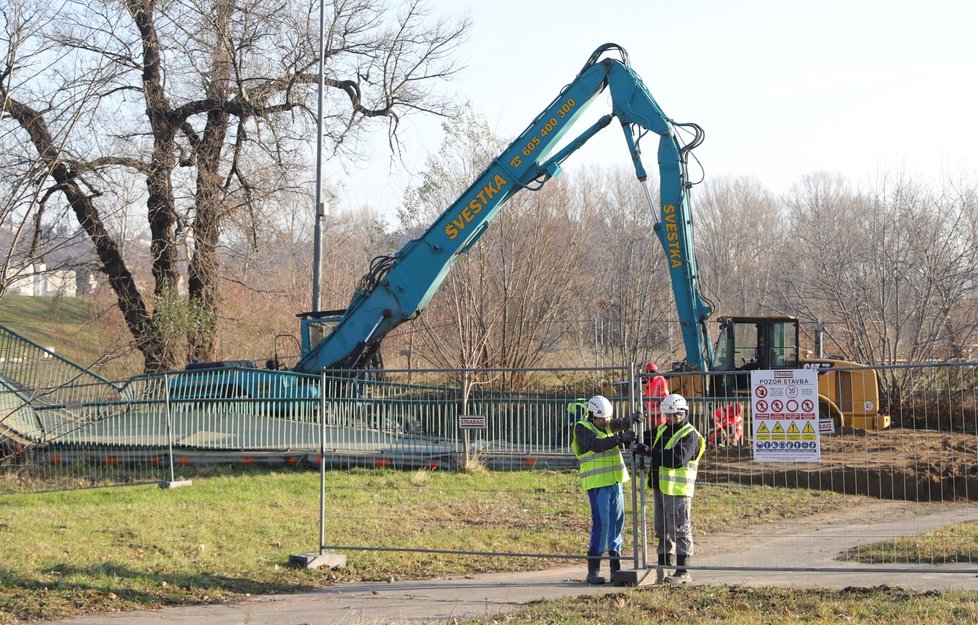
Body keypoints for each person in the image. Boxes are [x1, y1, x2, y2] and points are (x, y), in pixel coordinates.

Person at [633, 393, 705, 584]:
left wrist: (649, 452)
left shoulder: (690, 435)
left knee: (680, 529)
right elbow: (645, 437)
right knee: (661, 528)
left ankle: (682, 571)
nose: (671, 419)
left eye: (675, 416)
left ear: (684, 414)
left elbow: (677, 458)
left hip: (679, 490)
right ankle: (664, 564)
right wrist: (632, 430)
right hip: (660, 486)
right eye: (668, 415)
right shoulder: (664, 429)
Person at [571, 395, 640, 585]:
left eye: (607, 418)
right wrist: (619, 438)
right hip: (597, 484)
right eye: (601, 419)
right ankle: (593, 570)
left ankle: (615, 569)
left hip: (615, 482)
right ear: (592, 415)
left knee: (617, 524)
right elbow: (596, 445)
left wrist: (630, 420)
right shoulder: (582, 428)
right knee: (602, 526)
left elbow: (617, 424)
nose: (605, 422)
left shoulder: (607, 424)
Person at [642, 361, 670, 426]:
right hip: (650, 414)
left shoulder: (661, 380)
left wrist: (663, 409)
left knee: (660, 431)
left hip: (659, 414)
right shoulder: (648, 382)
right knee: (651, 433)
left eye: (652, 372)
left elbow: (665, 396)